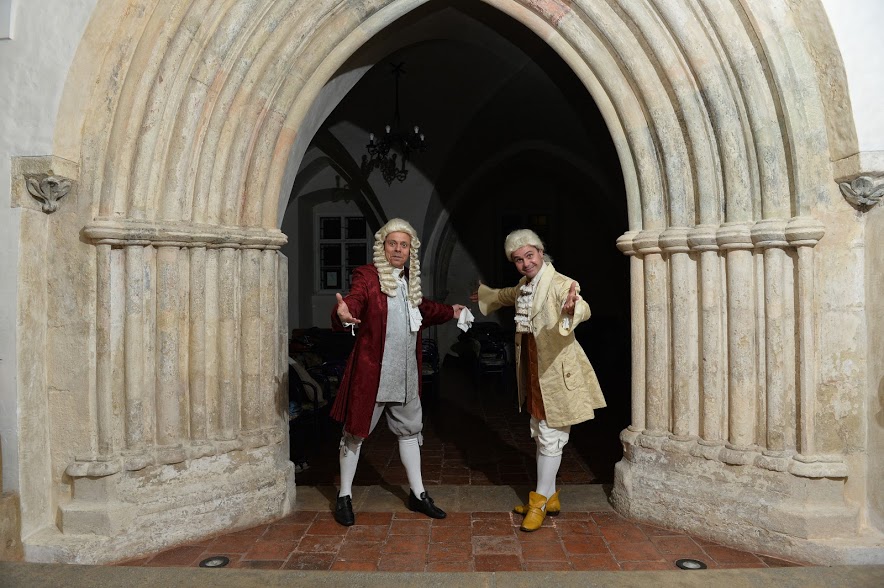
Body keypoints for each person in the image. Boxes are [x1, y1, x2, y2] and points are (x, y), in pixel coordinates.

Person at [330, 218, 466, 526]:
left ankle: (418, 494)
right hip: (373, 375)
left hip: (405, 376)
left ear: (410, 251)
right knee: (354, 434)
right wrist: (344, 313)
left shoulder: (408, 281)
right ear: (383, 246)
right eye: (392, 243)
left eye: (404, 245)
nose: (398, 249)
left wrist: (451, 311)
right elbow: (356, 299)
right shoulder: (367, 276)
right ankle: (344, 496)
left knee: (411, 432)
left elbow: (424, 309)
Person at [471, 229, 605, 532]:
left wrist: (573, 309)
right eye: (518, 260)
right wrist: (487, 295)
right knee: (540, 433)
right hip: (533, 371)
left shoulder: (562, 284)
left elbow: (581, 306)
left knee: (550, 436)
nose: (525, 263)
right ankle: (551, 496)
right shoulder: (525, 285)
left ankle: (539, 502)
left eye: (529, 255)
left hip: (557, 373)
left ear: (541, 252)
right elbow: (509, 295)